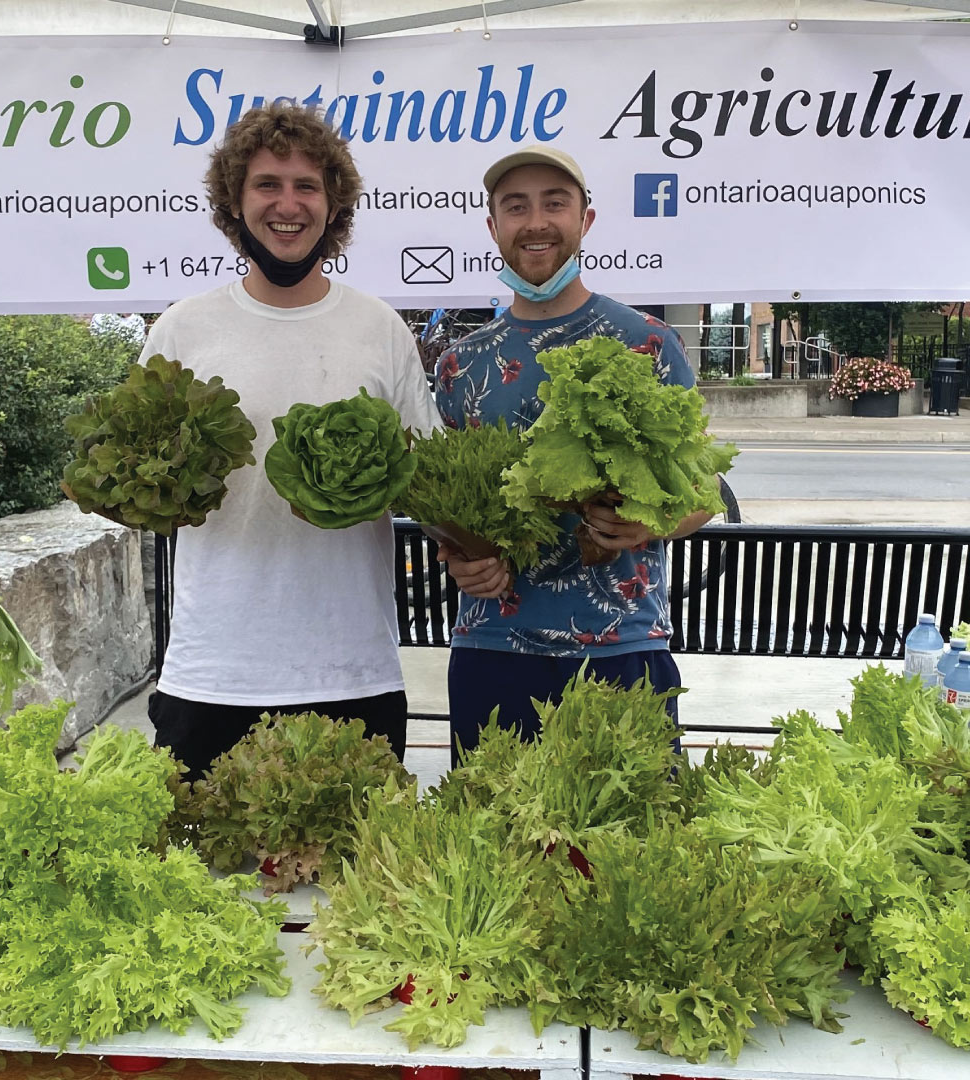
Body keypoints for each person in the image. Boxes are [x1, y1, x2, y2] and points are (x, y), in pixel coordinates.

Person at [142, 102, 441, 780]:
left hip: (350, 670)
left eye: (307, 186)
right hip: (212, 672)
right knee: (194, 874)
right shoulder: (184, 331)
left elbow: (429, 476)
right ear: (234, 201)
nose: (288, 204)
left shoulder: (379, 328)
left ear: (334, 204)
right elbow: (139, 483)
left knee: (350, 885)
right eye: (267, 184)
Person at [433, 146, 715, 762]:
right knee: (489, 849)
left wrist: (649, 521)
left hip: (621, 651)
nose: (536, 222)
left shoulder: (648, 343)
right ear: (493, 228)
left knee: (629, 852)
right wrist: (461, 558)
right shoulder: (461, 364)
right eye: (516, 207)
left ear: (586, 220)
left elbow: (703, 495)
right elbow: (449, 509)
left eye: (554, 203)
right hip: (493, 651)